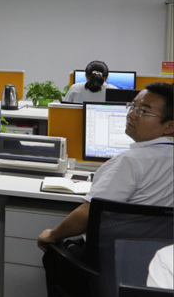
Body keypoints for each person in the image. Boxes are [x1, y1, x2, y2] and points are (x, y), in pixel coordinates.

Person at [38, 82, 174, 251]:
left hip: (112, 254)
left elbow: (87, 214)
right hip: (157, 256)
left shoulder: (130, 162)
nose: (131, 114)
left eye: (144, 111)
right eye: (133, 106)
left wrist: (52, 235)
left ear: (169, 126)